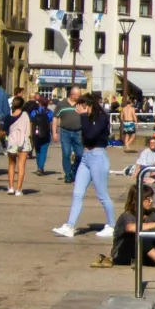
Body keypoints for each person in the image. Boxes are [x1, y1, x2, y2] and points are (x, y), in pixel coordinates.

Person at [55, 90, 116, 237]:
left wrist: (83, 116)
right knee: (77, 193)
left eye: (82, 106)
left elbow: (90, 134)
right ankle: (70, 226)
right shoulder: (86, 117)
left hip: (98, 157)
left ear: (89, 105)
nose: (79, 109)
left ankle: (112, 225)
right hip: (86, 156)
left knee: (102, 194)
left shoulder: (101, 117)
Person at [4, 98, 33, 195]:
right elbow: (29, 130)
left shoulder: (8, 117)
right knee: (21, 166)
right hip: (23, 141)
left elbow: (5, 131)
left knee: (11, 165)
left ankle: (11, 187)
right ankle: (18, 189)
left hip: (12, 141)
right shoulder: (25, 115)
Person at [56, 94, 84, 181]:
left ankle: (74, 169)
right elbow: (55, 117)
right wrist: (54, 132)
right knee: (66, 153)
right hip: (65, 132)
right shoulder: (62, 104)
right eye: (78, 94)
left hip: (78, 132)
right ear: (72, 95)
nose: (80, 96)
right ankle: (68, 174)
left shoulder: (81, 104)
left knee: (80, 154)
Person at [29, 94, 54, 177]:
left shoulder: (34, 112)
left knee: (38, 151)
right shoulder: (49, 112)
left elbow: (31, 119)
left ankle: (39, 166)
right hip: (46, 133)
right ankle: (40, 167)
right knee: (44, 151)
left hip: (36, 133)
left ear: (39, 103)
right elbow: (51, 121)